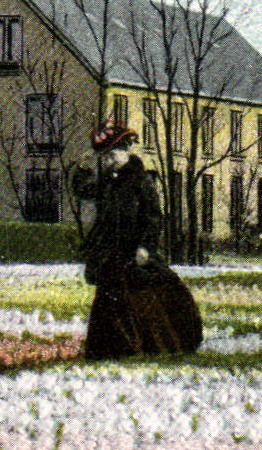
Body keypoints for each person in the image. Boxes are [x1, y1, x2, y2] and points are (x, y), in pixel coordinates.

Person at [74, 120, 202, 359]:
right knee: (110, 303)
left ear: (126, 152)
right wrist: (83, 165)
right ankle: (110, 350)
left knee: (142, 300)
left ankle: (149, 345)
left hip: (134, 252)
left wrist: (145, 246)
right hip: (112, 254)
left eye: (112, 155)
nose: (108, 161)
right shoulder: (109, 183)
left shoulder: (142, 182)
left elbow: (154, 217)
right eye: (105, 157)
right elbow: (83, 190)